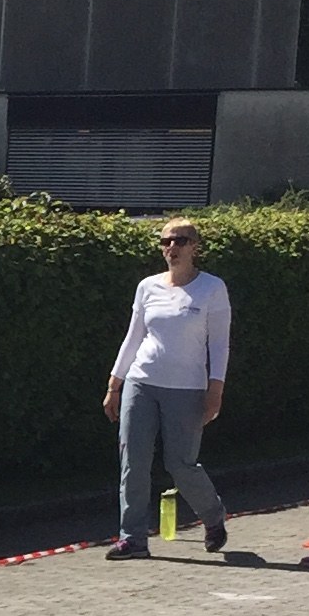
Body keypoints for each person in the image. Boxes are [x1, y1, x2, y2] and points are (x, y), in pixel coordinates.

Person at [104, 218, 232, 558]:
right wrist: (115, 383)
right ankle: (132, 538)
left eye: (180, 241)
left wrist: (215, 390)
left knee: (180, 464)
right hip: (141, 382)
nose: (171, 247)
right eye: (166, 241)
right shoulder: (148, 287)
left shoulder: (211, 288)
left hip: (186, 388)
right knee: (133, 461)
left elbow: (219, 344)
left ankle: (213, 516)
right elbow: (134, 336)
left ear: (195, 247)